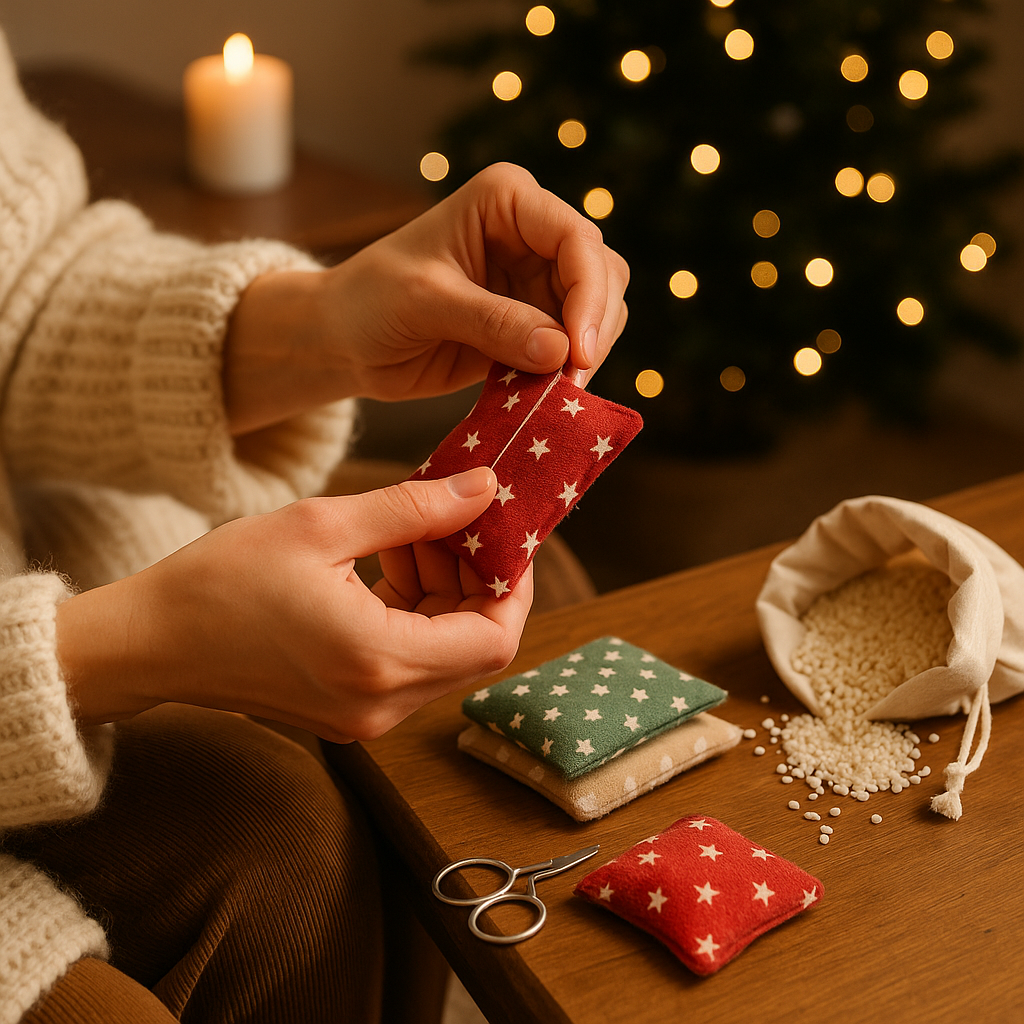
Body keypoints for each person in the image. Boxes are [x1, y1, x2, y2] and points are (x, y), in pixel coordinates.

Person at [0, 25, 629, 1024]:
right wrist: (109, 648)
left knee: (543, 598)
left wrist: (318, 324)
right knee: (283, 850)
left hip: (38, 533)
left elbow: (22, 297)